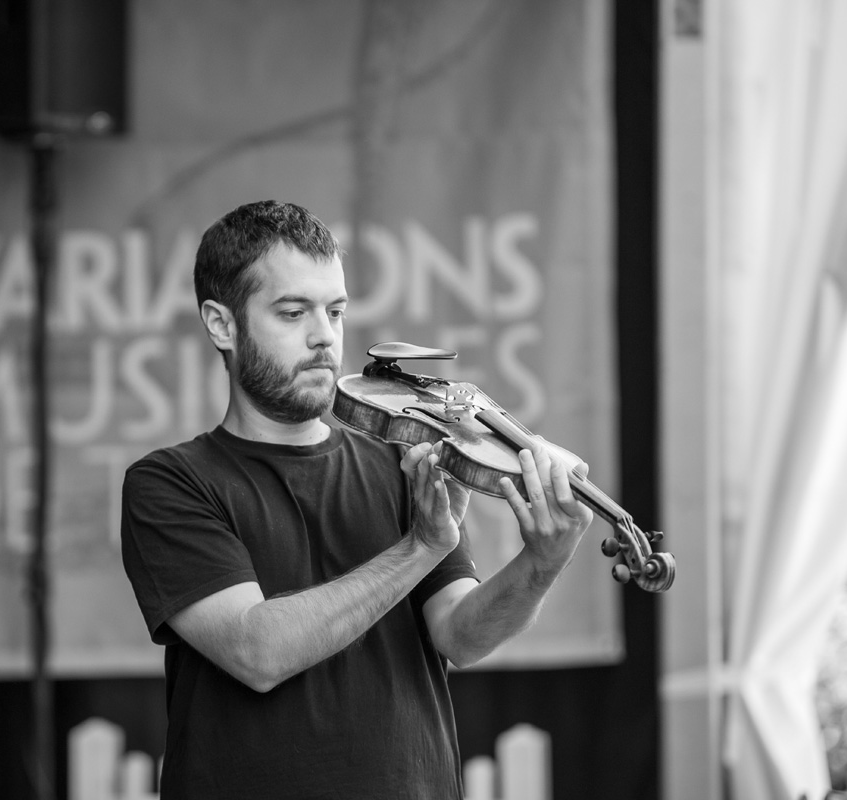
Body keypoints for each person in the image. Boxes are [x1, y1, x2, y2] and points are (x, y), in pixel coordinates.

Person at [120, 200, 595, 799]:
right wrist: (419, 549)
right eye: (292, 312)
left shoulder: (401, 457)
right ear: (222, 325)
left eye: (336, 311)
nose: (324, 336)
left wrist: (542, 563)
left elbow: (460, 635)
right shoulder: (171, 482)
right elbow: (256, 651)